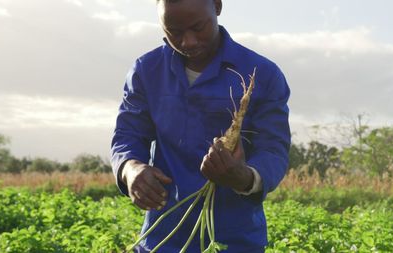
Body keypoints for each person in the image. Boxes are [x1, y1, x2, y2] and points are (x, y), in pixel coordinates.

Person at [111, 0, 291, 252]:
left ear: (217, 6)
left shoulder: (263, 73)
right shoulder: (146, 70)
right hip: (163, 238)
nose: (188, 42)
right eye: (173, 31)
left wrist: (243, 177)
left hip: (235, 240)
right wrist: (131, 169)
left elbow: (274, 149)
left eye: (198, 27)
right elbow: (127, 135)